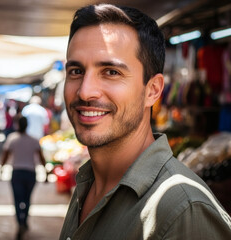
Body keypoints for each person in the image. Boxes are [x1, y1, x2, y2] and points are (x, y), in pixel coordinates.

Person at [60, 3, 231, 240]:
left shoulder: (183, 211)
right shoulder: (88, 186)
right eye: (76, 71)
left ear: (152, 90)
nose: (85, 91)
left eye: (111, 72)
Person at [1, 116, 47, 237]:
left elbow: (5, 155)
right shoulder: (33, 140)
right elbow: (42, 158)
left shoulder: (12, 139)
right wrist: (46, 172)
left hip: (17, 173)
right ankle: (24, 221)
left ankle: (20, 222)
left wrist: (1, 168)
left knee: (17, 200)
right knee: (27, 199)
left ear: (17, 125)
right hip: (30, 173)